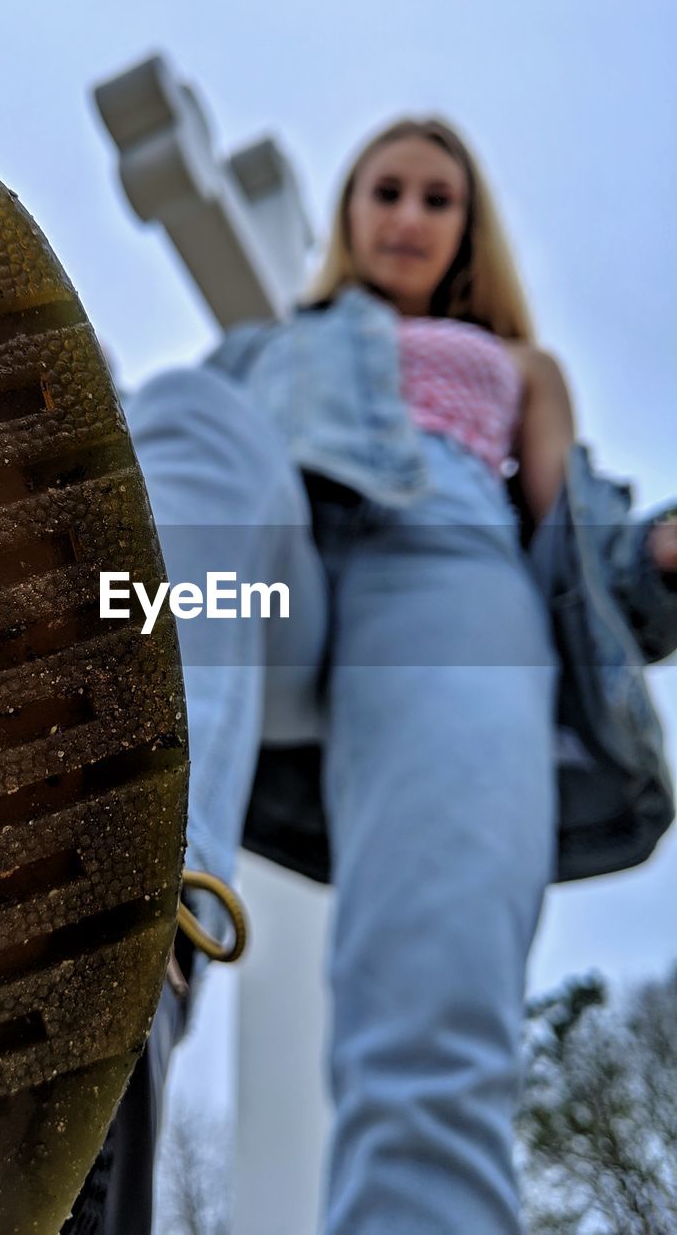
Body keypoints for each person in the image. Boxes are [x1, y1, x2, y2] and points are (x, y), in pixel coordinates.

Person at [71, 116, 677, 1233]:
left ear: (467, 229)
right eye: (386, 190)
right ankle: (124, 968)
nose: (408, 215)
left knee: (432, 1014)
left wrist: (657, 552)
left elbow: (583, 549)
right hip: (283, 580)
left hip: (453, 597)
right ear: (351, 211)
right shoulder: (273, 345)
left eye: (437, 198)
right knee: (189, 411)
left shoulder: (520, 367)